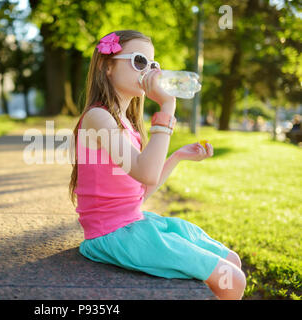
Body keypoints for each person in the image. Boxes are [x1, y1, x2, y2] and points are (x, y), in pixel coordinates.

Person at [68, 30, 246, 300]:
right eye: (140, 61)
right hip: (112, 235)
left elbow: (138, 194)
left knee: (232, 260)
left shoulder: (126, 124)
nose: (150, 71)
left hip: (133, 222)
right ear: (107, 67)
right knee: (232, 280)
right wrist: (167, 107)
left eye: (153, 65)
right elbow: (147, 173)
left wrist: (177, 157)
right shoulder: (97, 117)